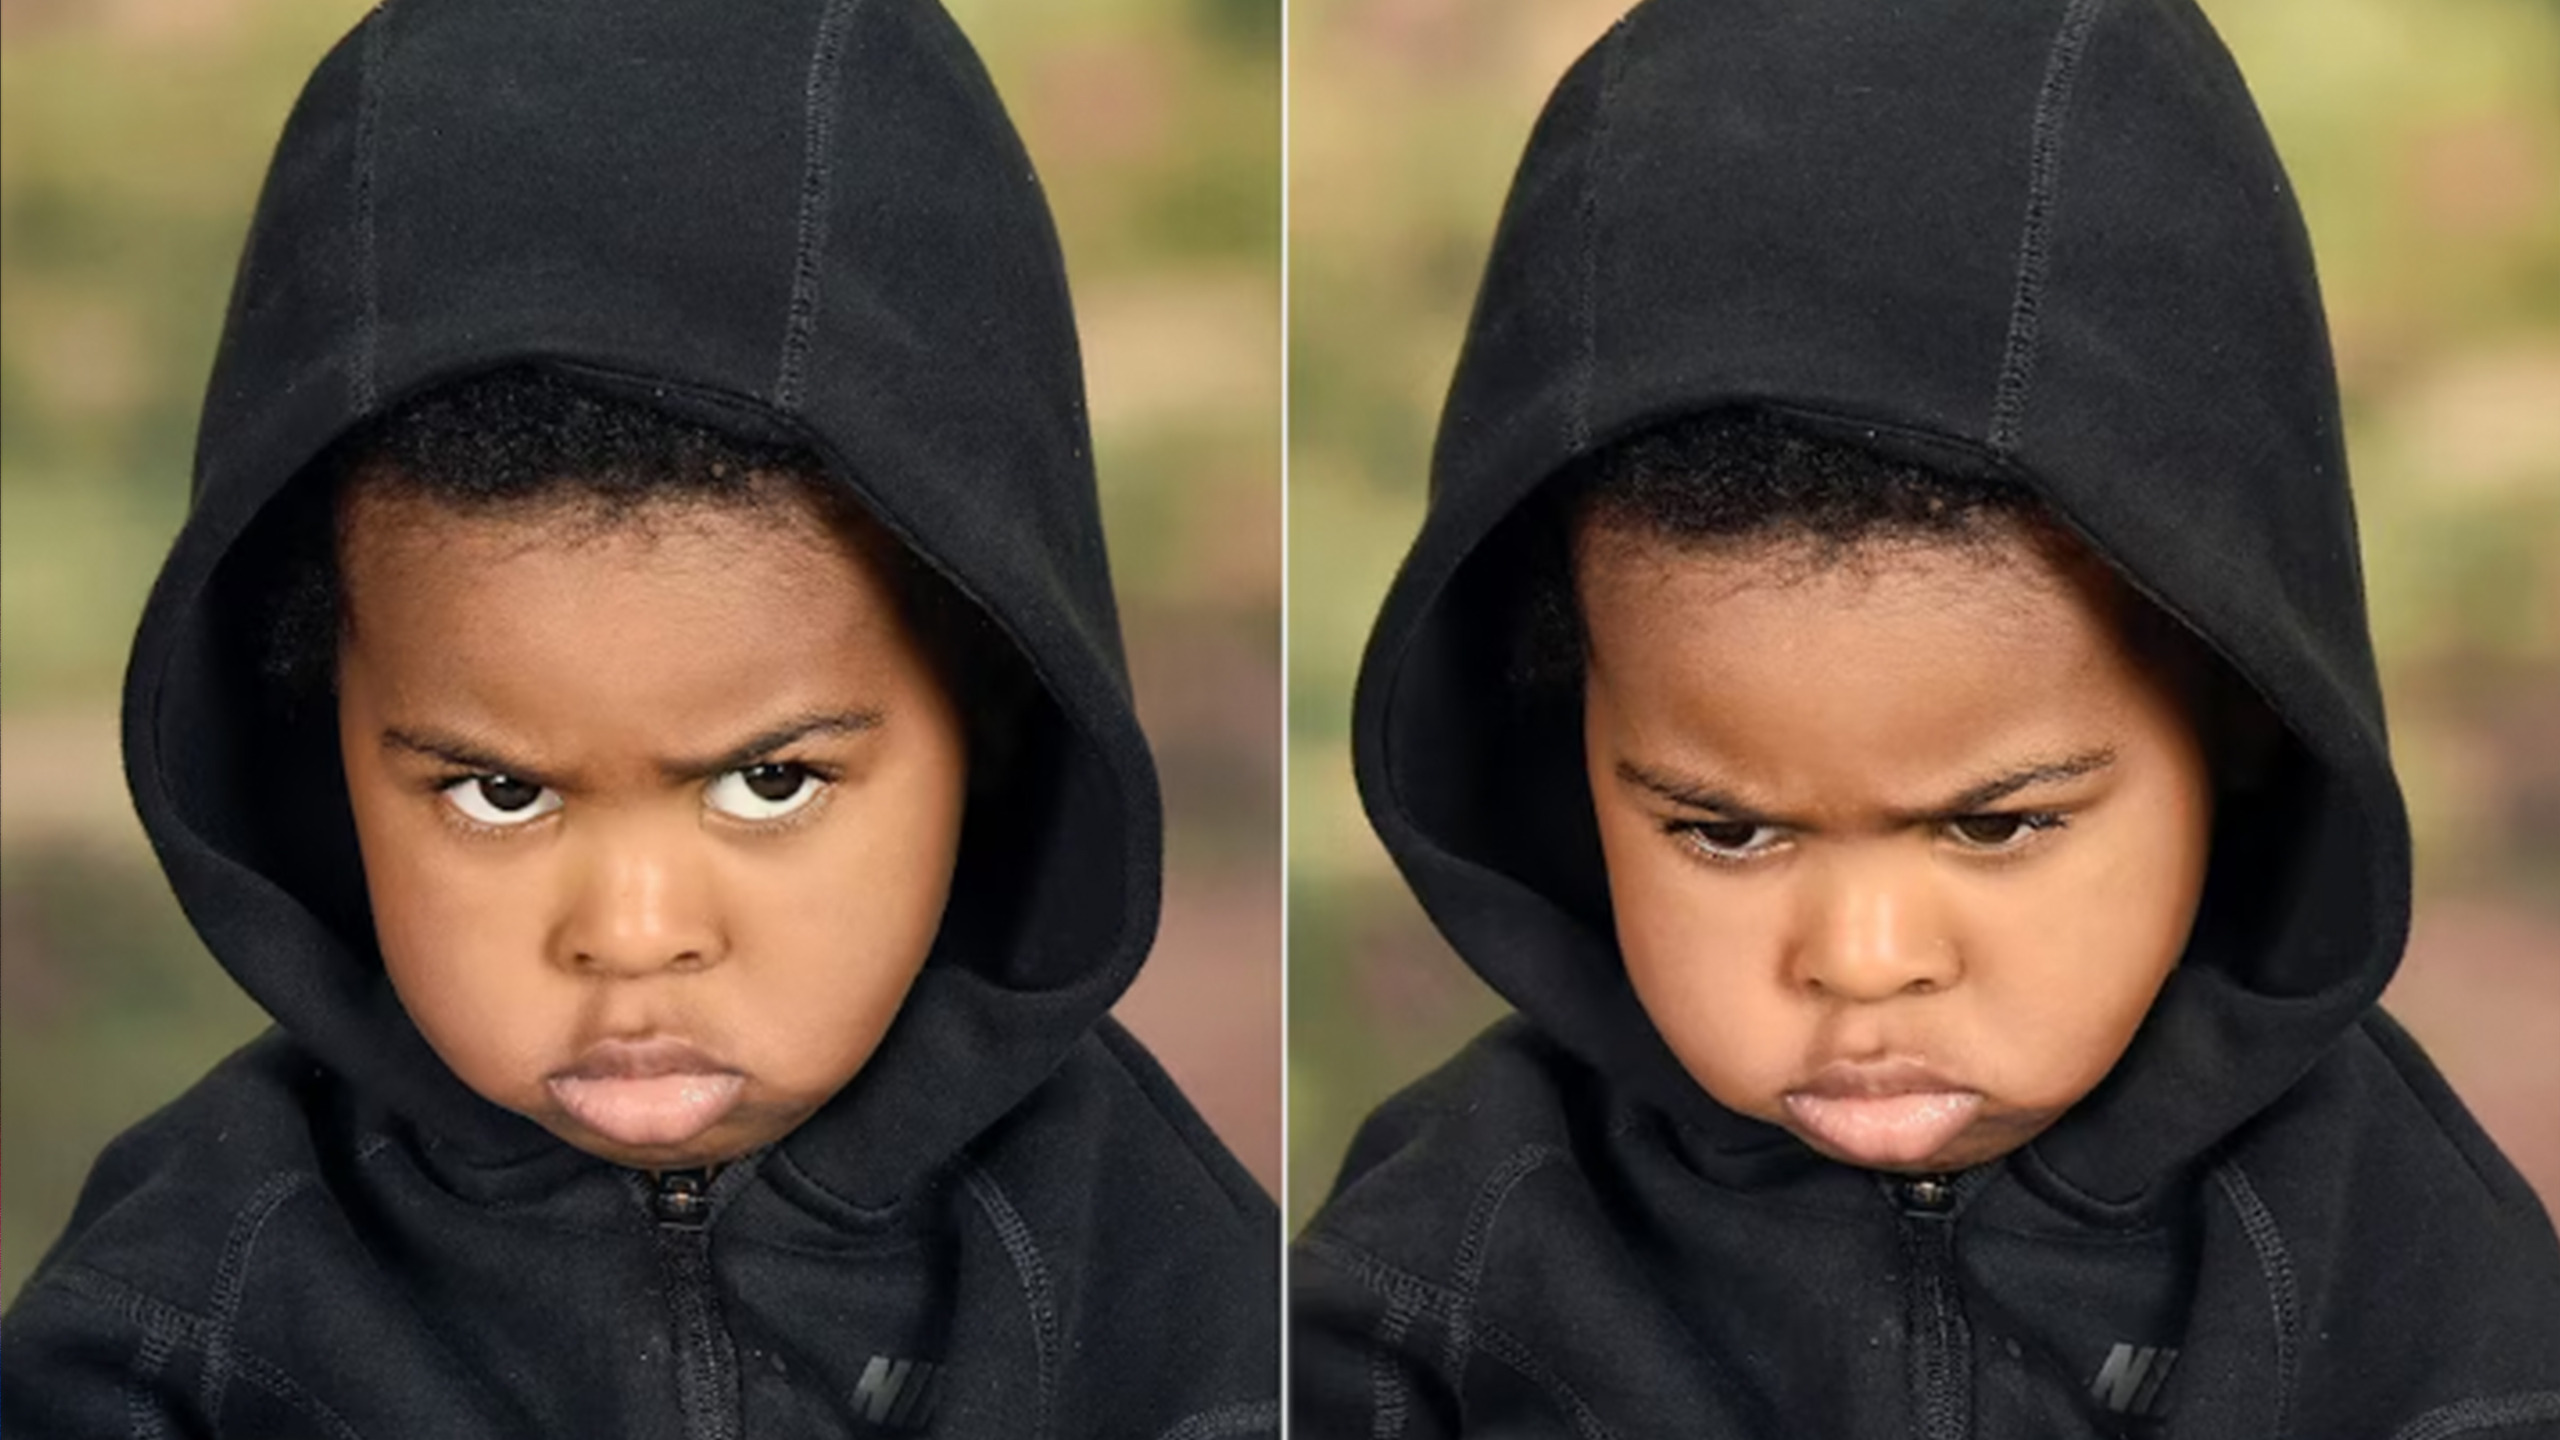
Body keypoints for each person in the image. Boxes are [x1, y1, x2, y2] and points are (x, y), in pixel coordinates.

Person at [0, 1, 1277, 1435]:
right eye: (498, 794)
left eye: (771, 782)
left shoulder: (1152, 1280)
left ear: (989, 714)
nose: (633, 929)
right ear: (325, 729)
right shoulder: (183, 1312)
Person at [1290, 0, 2560, 1435]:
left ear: (2243, 724)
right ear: (1566, 734)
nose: (1863, 961)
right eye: (1726, 829)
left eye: (1998, 821)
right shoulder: (1451, 1254)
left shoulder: (2392, 1257)